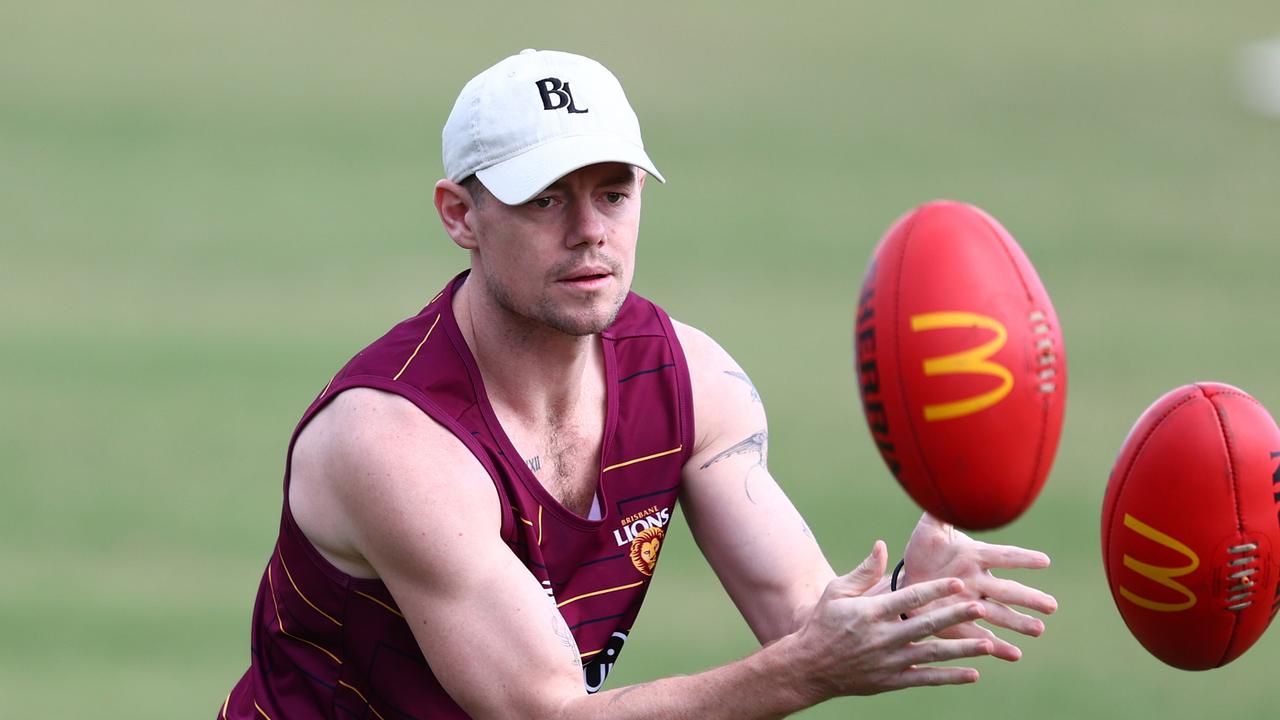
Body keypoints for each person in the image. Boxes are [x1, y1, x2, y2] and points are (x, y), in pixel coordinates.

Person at [219, 48, 1057, 719]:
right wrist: (809, 670)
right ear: (458, 215)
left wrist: (909, 598)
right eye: (547, 200)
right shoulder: (393, 442)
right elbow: (544, 713)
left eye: (614, 194)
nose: (590, 233)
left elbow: (802, 621)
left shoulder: (689, 380)